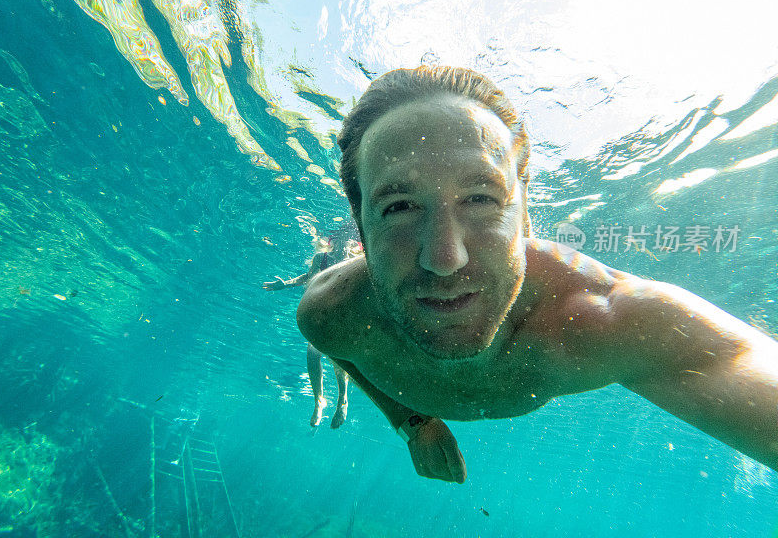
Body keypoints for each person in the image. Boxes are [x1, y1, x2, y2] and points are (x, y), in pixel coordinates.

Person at [296, 65, 778, 483]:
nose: (446, 258)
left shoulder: (599, 319)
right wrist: (412, 422)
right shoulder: (329, 313)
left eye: (481, 199)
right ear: (360, 227)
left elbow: (732, 360)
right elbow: (346, 354)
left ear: (526, 216)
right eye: (399, 207)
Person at [265, 229, 361, 428]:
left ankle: (342, 400)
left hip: (344, 316)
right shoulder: (321, 258)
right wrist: (286, 284)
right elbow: (308, 277)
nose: (344, 244)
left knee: (338, 358)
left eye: (348, 240)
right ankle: (319, 401)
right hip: (323, 313)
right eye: (340, 240)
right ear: (332, 242)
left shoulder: (355, 262)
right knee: (312, 352)